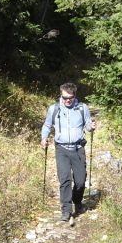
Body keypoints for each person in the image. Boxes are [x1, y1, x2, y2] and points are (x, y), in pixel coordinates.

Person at [40, 82, 96, 222]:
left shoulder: (82, 108)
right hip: (62, 149)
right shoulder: (54, 109)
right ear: (61, 95)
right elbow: (47, 125)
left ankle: (77, 202)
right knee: (65, 179)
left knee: (80, 181)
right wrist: (44, 138)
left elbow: (88, 126)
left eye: (70, 97)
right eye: (65, 97)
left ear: (75, 95)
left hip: (78, 148)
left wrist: (92, 126)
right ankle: (66, 210)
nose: (67, 100)